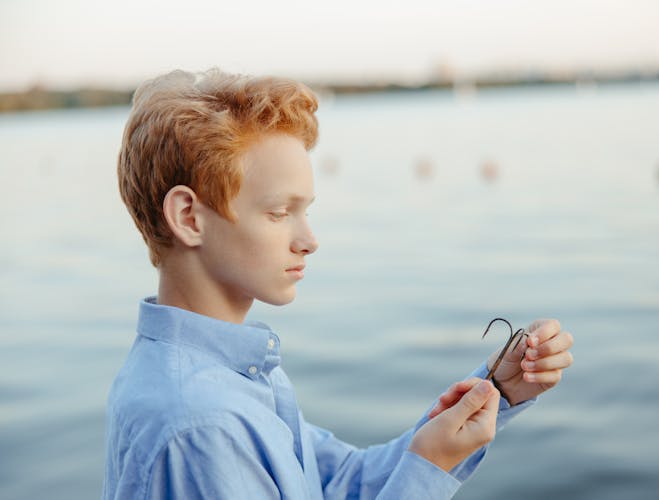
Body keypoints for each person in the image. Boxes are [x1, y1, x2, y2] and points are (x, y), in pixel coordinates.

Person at [103, 68, 574, 500]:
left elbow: (341, 481)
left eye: (305, 211)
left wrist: (496, 390)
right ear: (189, 217)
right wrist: (428, 468)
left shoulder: (233, 376)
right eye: (279, 212)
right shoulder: (202, 424)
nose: (309, 240)